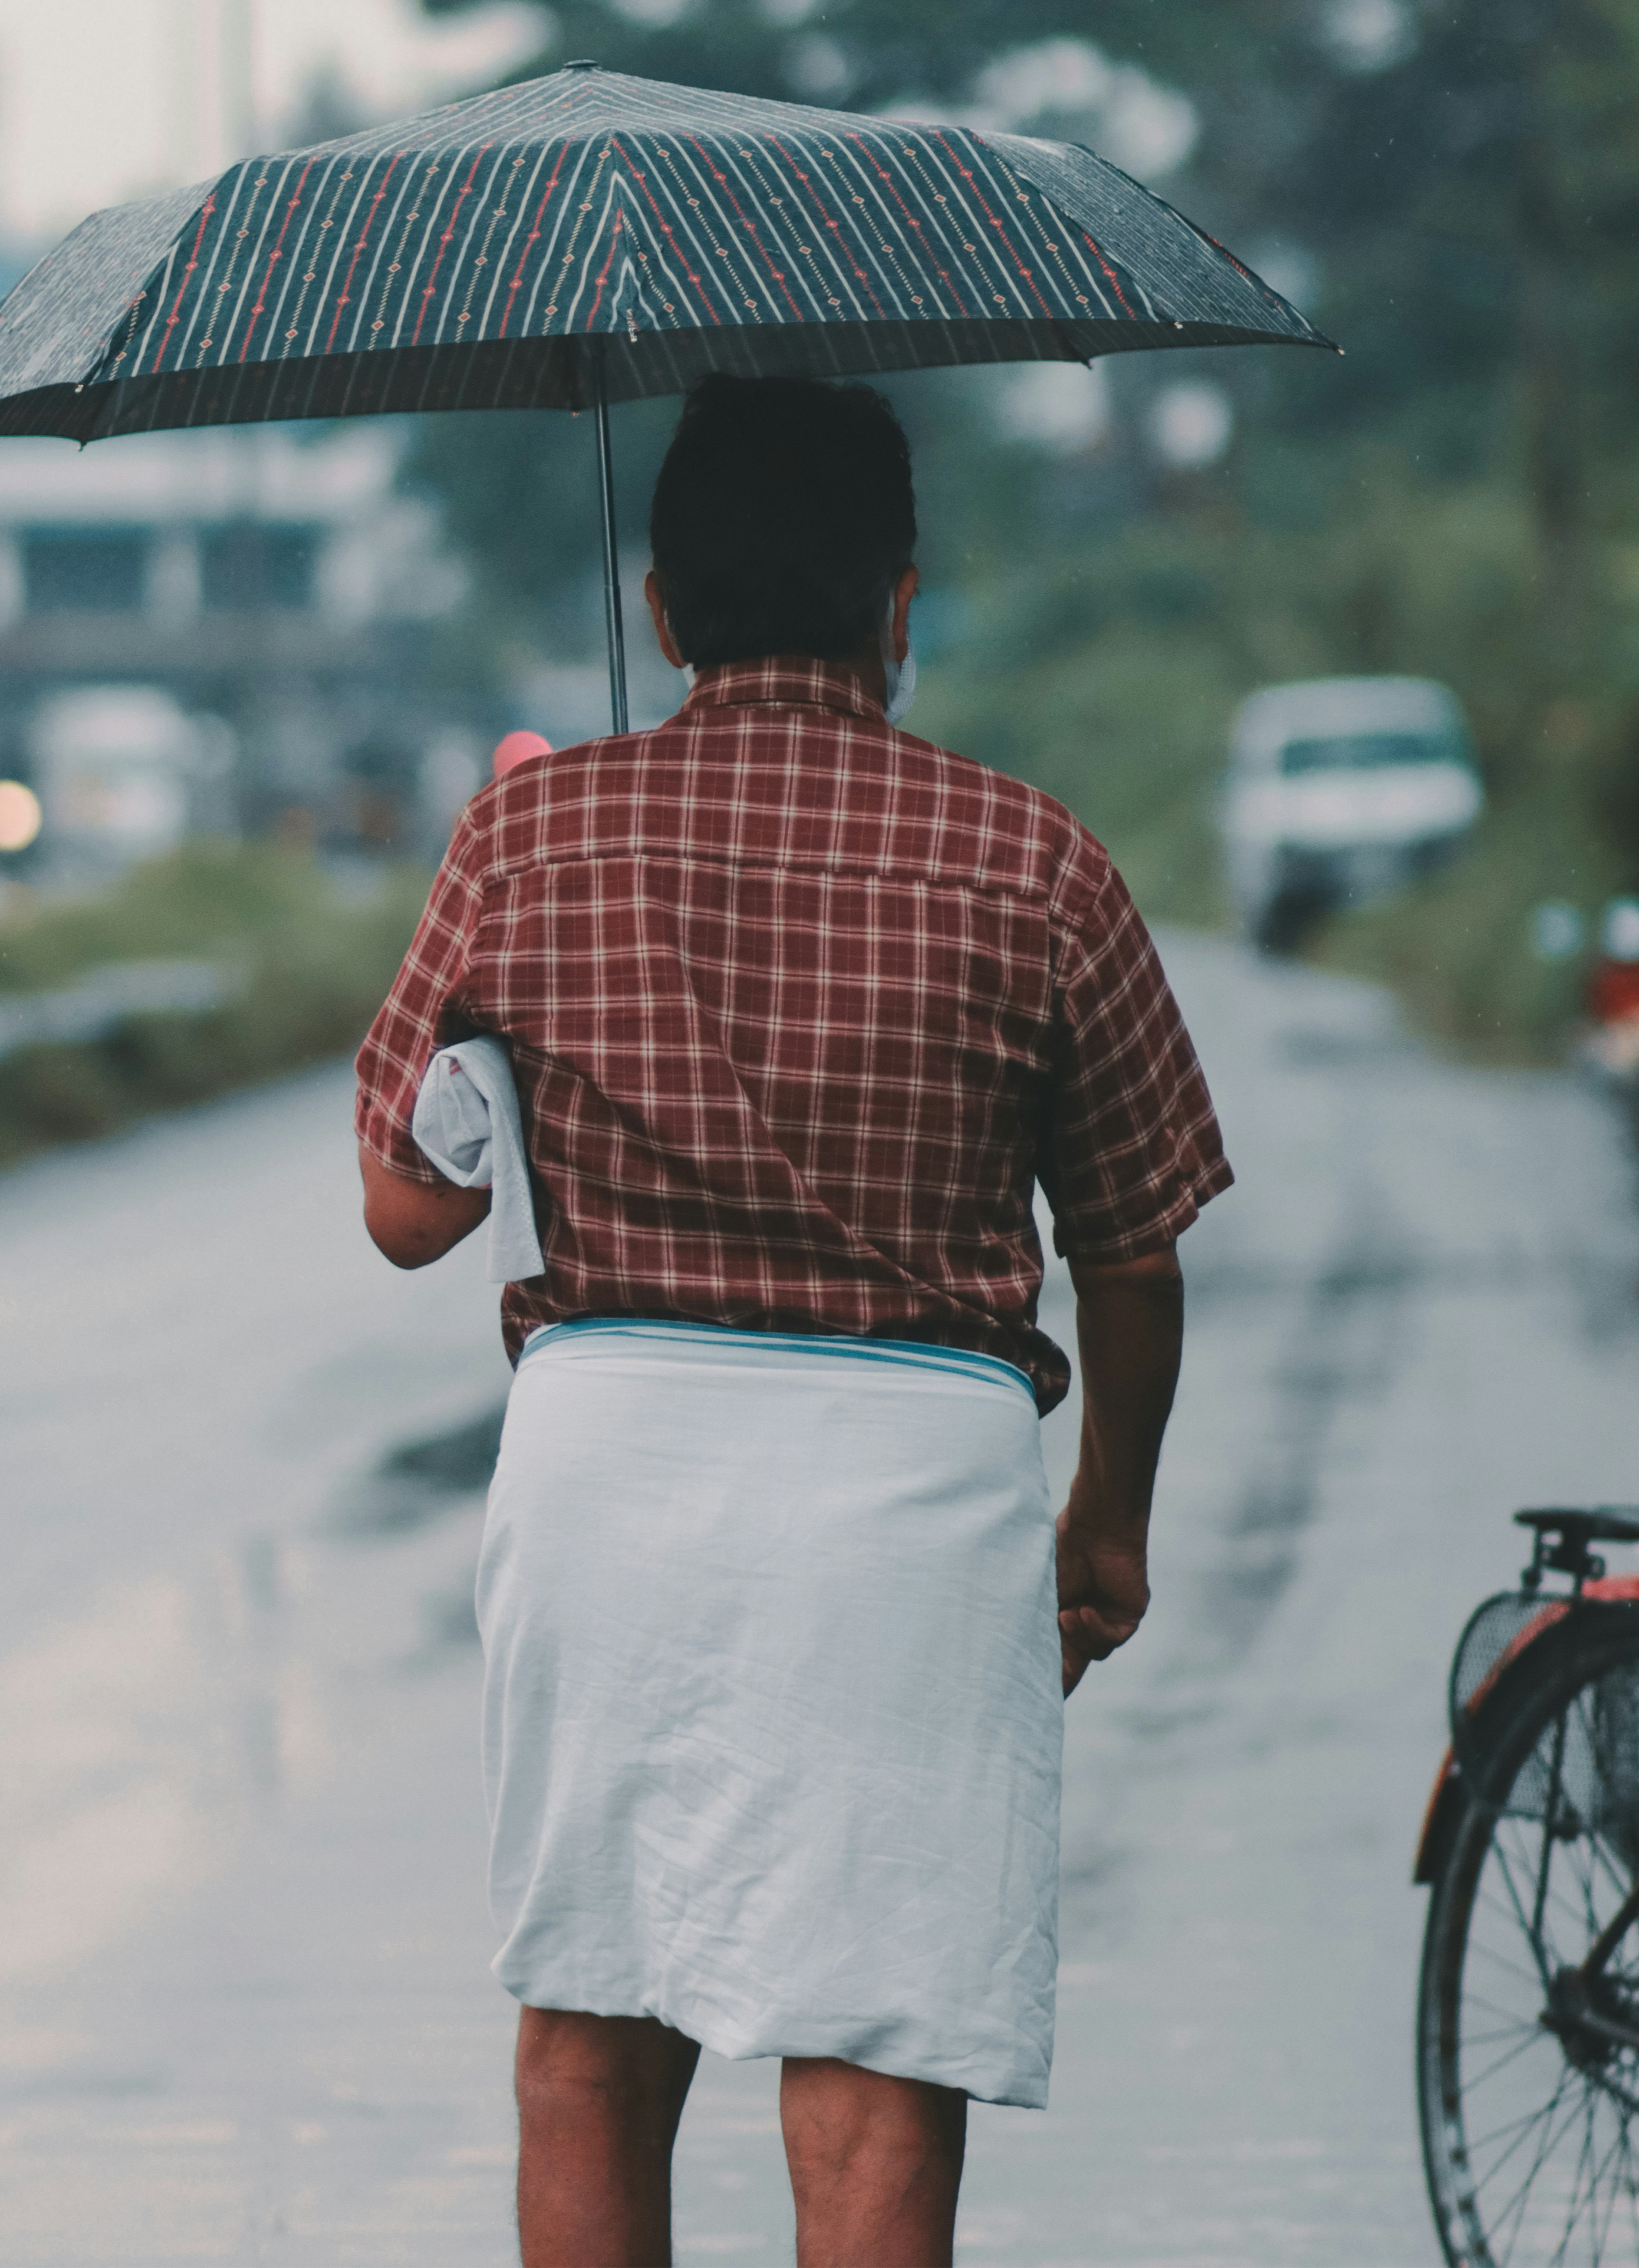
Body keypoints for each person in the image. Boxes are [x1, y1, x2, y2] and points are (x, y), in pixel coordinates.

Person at [356, 373, 1230, 2268]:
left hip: (612, 1480)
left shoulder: (530, 840)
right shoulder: (1036, 860)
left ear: (663, 613)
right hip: (911, 1502)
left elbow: (409, 1218)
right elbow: (1137, 1244)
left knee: (592, 2031)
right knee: (873, 2055)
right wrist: (1109, 1519)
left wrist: (498, 1084)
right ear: (899, 604)